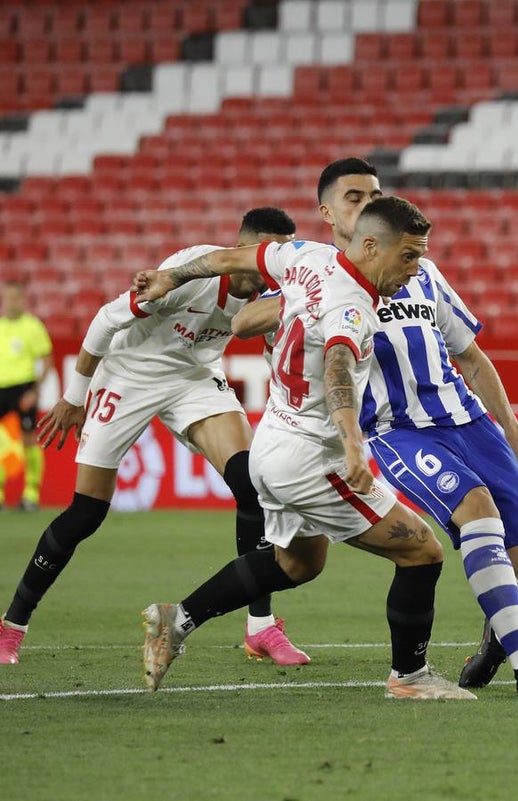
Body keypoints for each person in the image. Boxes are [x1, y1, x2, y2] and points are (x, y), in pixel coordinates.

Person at [233, 158, 518, 700]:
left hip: (467, 421)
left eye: (375, 194)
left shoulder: (421, 269)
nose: (367, 203)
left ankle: (499, 643)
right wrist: (309, 302)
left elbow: (470, 357)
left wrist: (515, 434)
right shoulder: (313, 272)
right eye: (354, 197)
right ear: (327, 213)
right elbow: (244, 322)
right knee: (474, 509)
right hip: (399, 429)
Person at [136, 197, 474, 700]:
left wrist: (172, 276)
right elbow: (338, 365)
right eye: (407, 256)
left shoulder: (303, 257)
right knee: (422, 551)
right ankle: (410, 677)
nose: (415, 269)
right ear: (369, 246)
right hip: (313, 460)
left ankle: (176, 619)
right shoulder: (353, 306)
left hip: (271, 443)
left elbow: (229, 258)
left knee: (299, 563)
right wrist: (353, 443)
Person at [0, 209, 310, 667]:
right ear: (242, 248)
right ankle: (12, 626)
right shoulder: (192, 271)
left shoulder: (273, 291)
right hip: (129, 375)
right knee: (86, 513)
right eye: (266, 253)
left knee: (252, 484)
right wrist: (73, 397)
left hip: (195, 377)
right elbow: (107, 320)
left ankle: (260, 628)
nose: (274, 265)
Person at [0, 280, 53, 511]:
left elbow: (47, 359)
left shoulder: (33, 326)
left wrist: (35, 390)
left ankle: (31, 492)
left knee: (29, 439)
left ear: (23, 299)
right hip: (1, 387)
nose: (12, 302)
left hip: (24, 388)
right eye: (8, 297)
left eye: (16, 298)